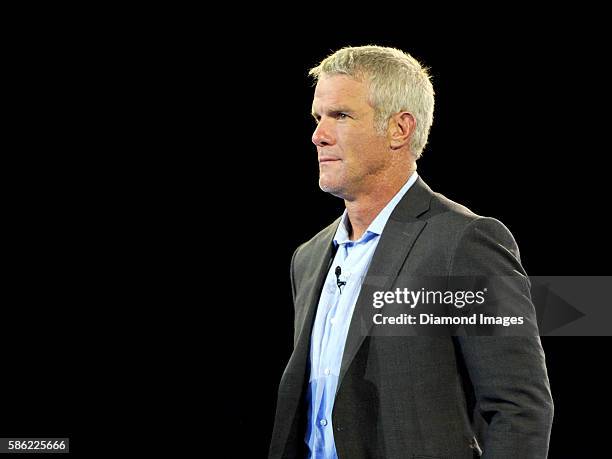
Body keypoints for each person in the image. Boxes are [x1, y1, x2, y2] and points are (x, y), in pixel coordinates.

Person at [269, 45, 553, 459]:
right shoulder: (309, 258)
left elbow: (519, 409)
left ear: (399, 129)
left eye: (341, 116)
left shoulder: (464, 243)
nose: (318, 135)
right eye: (318, 117)